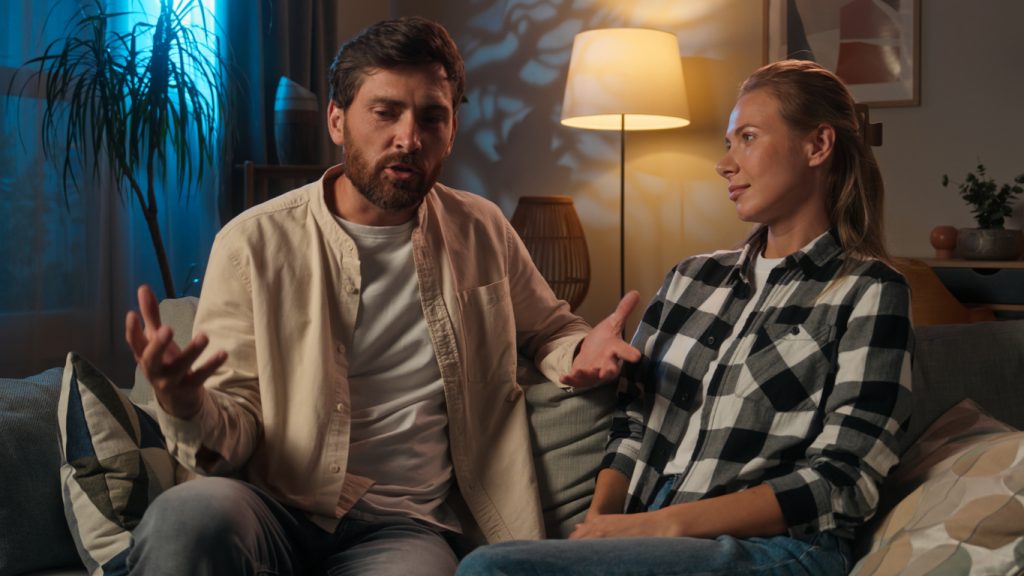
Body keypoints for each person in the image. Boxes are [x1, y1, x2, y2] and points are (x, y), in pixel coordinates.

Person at [123, 16, 638, 576]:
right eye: (385, 112)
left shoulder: (482, 229)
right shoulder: (253, 243)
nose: (409, 139)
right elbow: (234, 429)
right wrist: (186, 404)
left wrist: (580, 350)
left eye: (431, 117)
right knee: (184, 517)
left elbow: (552, 329)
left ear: (452, 130)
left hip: (405, 528)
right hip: (272, 508)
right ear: (337, 120)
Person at [455, 59, 914, 576]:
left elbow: (845, 480)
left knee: (490, 569)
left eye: (747, 138)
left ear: (818, 145)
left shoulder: (870, 290)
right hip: (651, 535)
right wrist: (599, 526)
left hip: (780, 549)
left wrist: (662, 526)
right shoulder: (690, 278)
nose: (724, 163)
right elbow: (633, 421)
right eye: (728, 142)